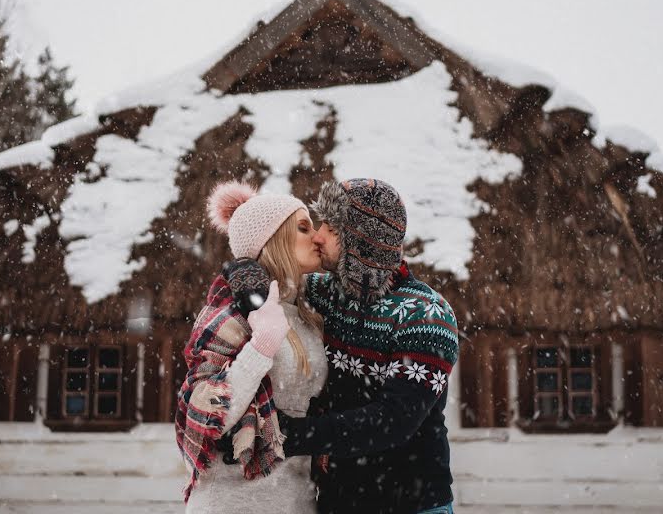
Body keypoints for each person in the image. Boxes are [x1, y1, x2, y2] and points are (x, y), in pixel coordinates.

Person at [225, 178, 460, 514]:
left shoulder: (426, 315)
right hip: (337, 501)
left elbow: (392, 422)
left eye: (332, 228)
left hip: (412, 503)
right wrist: (245, 271)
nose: (318, 236)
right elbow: (274, 269)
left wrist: (282, 435)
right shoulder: (324, 294)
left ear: (362, 242)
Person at [175, 181, 327, 513]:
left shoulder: (308, 315)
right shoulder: (231, 311)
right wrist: (260, 348)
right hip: (231, 503)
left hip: (296, 501)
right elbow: (203, 418)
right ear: (274, 240)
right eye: (303, 228)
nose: (317, 237)